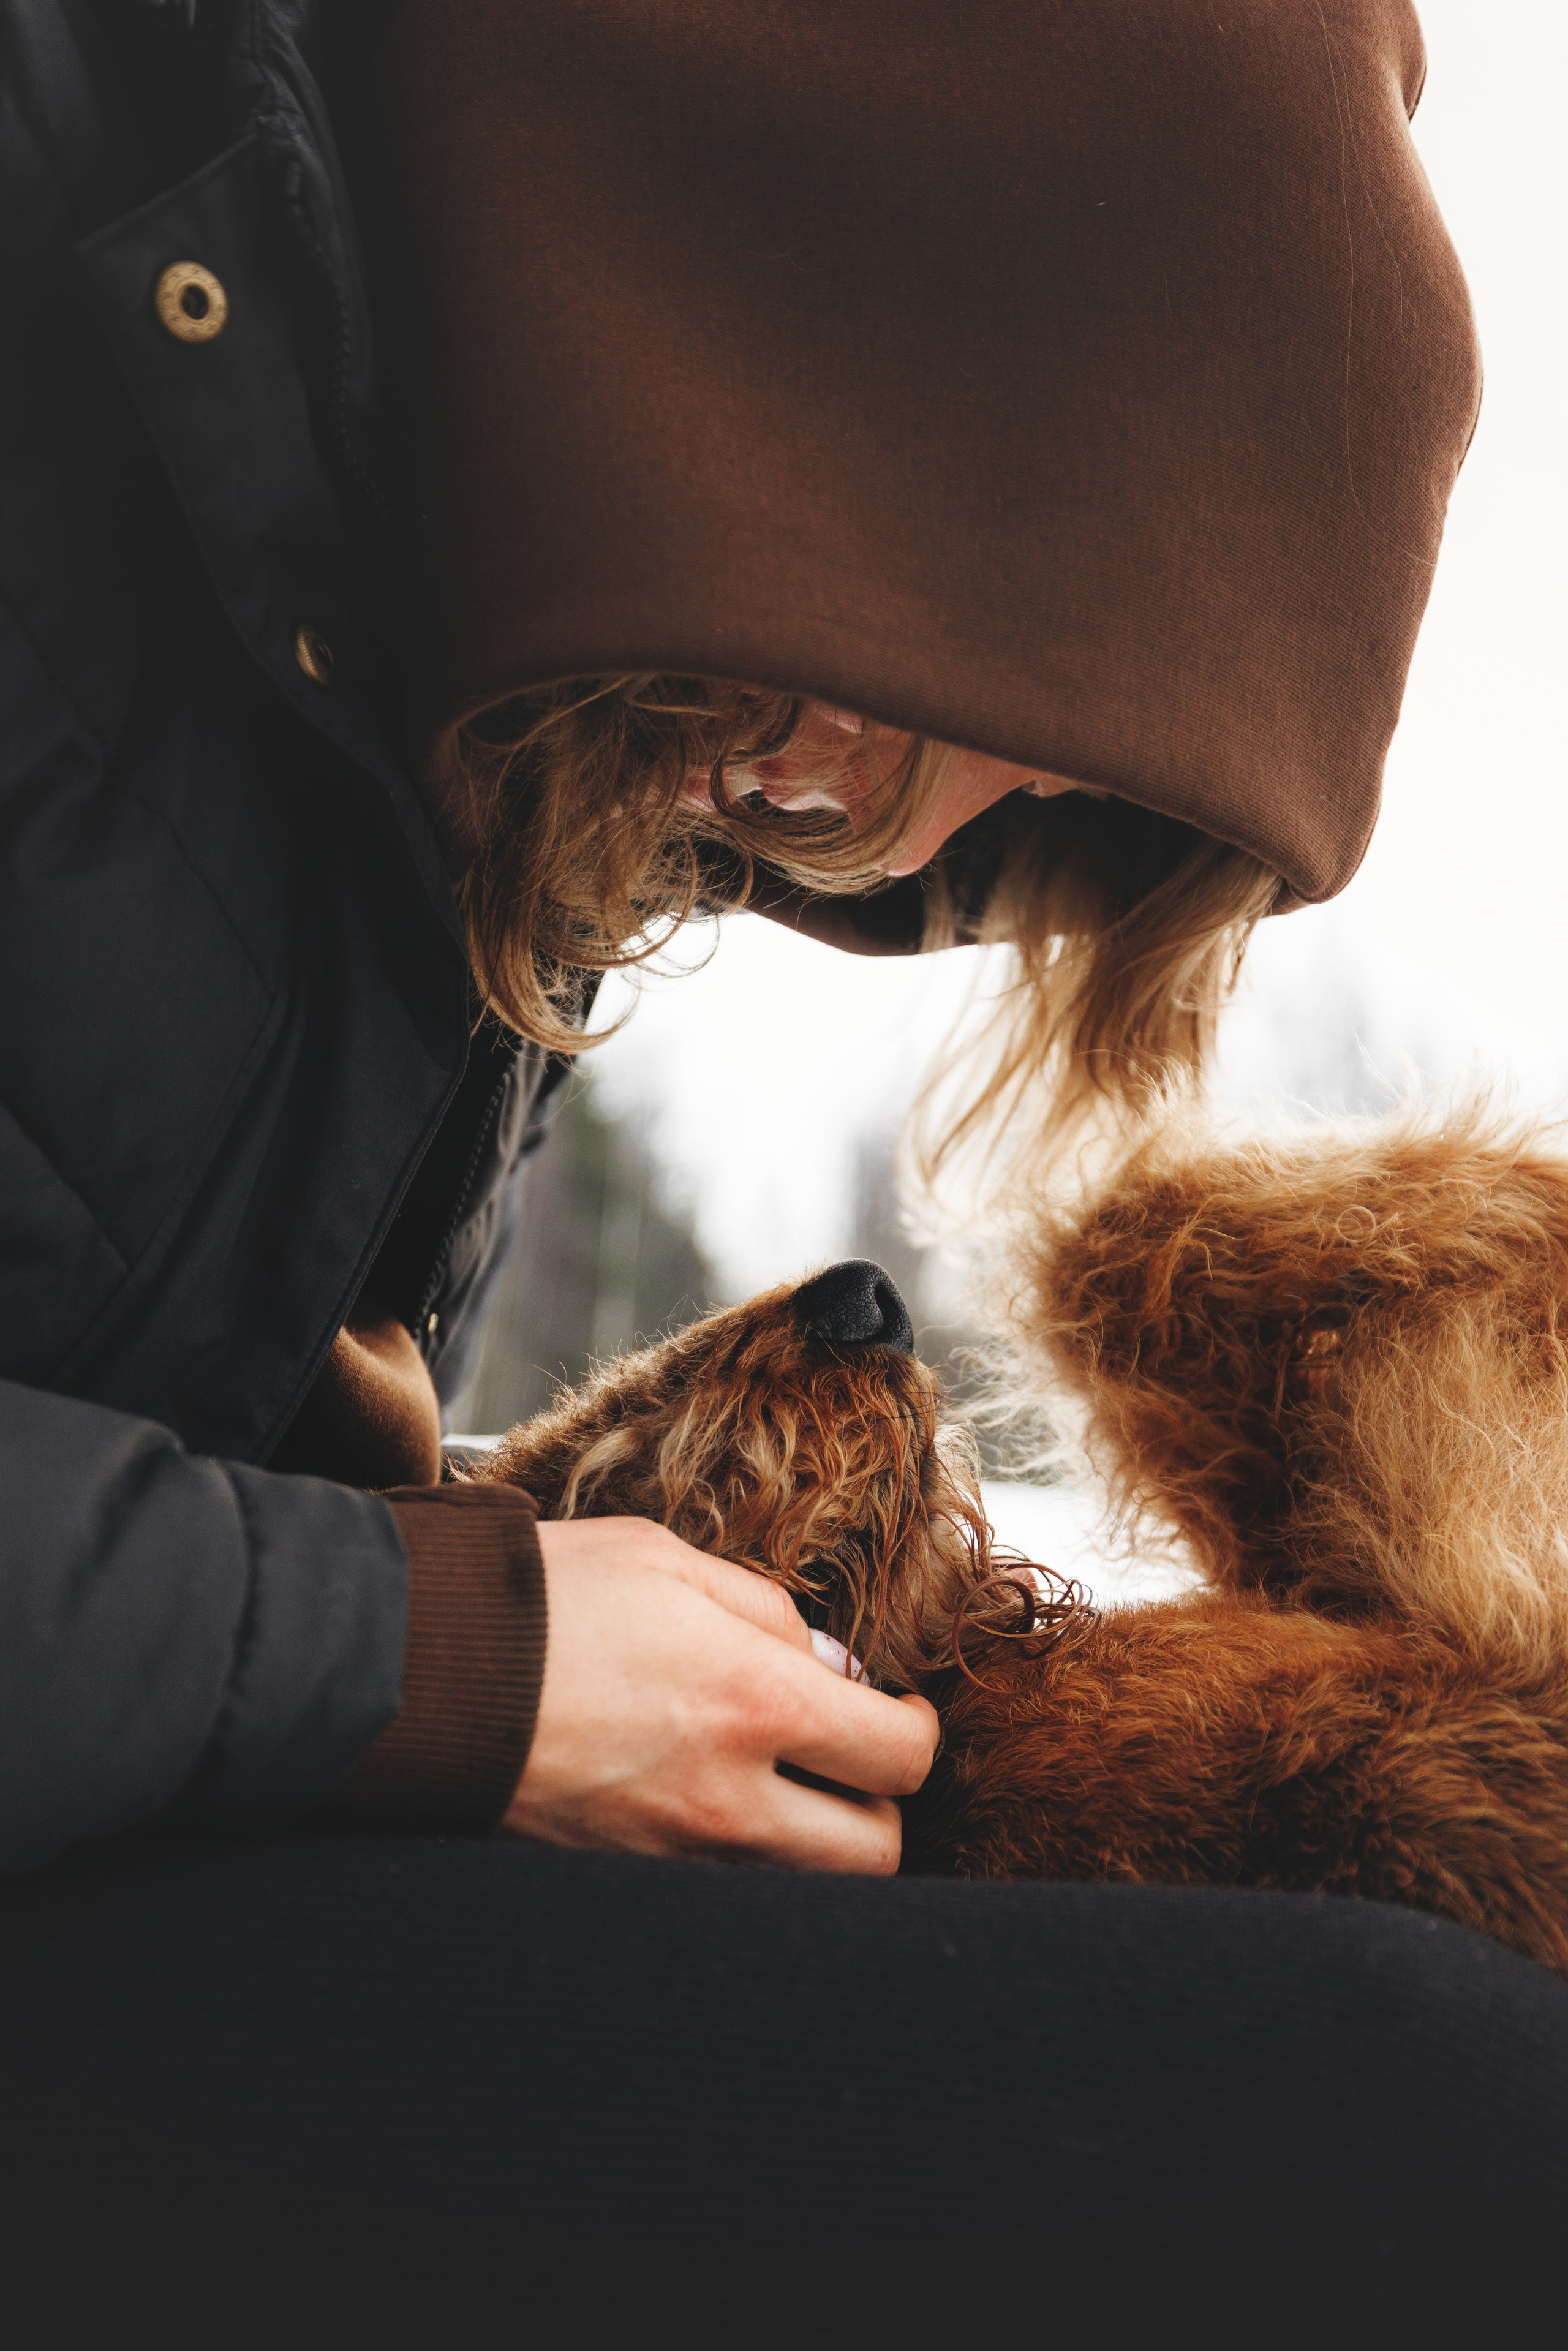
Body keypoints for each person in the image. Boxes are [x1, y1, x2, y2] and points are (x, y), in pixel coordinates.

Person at [6, 1, 1561, 2341]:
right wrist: (435, 1660)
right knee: (1422, 2114)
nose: (927, 841)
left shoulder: (440, 714)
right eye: (983, 696)